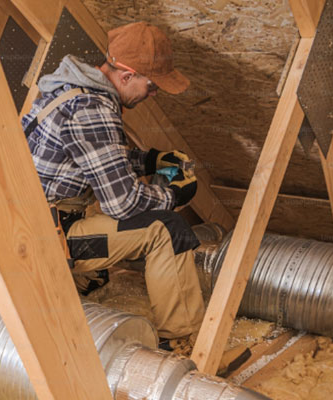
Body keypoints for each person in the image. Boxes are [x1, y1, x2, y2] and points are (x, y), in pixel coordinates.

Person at [22, 21, 205, 345]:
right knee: (167, 229)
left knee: (100, 271)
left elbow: (95, 159)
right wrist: (173, 195)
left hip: (28, 222)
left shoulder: (70, 90)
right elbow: (123, 203)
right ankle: (182, 341)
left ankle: (74, 280)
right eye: (151, 86)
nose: (153, 94)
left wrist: (152, 160)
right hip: (48, 239)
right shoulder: (94, 109)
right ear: (126, 75)